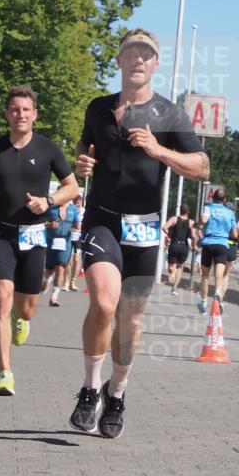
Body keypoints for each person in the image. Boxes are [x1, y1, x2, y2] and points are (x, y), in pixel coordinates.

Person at [68, 28, 209, 439]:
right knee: (105, 302)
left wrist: (158, 150)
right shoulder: (98, 108)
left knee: (130, 317)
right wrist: (82, 164)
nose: (138, 60)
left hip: (145, 226)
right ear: (119, 60)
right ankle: (91, 388)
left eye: (146, 55)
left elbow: (202, 167)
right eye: (131, 53)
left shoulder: (170, 115)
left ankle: (118, 393)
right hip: (102, 219)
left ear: (155, 64)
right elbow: (86, 147)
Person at [0, 86, 79, 395]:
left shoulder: (49, 149)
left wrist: (49, 200)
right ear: (7, 114)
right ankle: (5, 372)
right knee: (1, 300)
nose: (20, 114)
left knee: (26, 308)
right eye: (14, 109)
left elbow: (72, 188)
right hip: (0, 232)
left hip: (34, 235)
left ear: (35, 115)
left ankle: (22, 317)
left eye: (25, 110)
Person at [195, 188, 239, 314]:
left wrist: (199, 224)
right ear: (224, 200)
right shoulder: (230, 213)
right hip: (222, 245)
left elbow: (204, 220)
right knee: (219, 275)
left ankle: (203, 304)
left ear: (212, 198)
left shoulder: (209, 208)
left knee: (205, 275)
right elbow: (234, 233)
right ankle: (217, 295)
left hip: (208, 243)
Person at [44, 197, 80, 306]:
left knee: (60, 268)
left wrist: (78, 227)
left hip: (66, 242)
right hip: (50, 241)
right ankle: (45, 281)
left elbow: (77, 224)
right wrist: (48, 224)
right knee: (49, 269)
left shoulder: (73, 209)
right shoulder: (51, 208)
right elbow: (41, 222)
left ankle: (54, 298)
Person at [161, 204, 196, 295]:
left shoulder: (174, 219)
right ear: (188, 212)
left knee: (171, 266)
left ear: (180, 210)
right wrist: (193, 244)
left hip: (174, 244)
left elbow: (164, 227)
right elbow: (193, 236)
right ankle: (175, 288)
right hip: (184, 246)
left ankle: (172, 272)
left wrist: (169, 235)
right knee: (180, 267)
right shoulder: (191, 222)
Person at [66, 195, 85, 291]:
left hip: (78, 237)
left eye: (78, 203)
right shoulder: (70, 210)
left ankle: (72, 282)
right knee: (68, 260)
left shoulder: (84, 212)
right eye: (75, 203)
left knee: (77, 259)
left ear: (81, 203)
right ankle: (65, 281)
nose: (77, 205)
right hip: (69, 235)